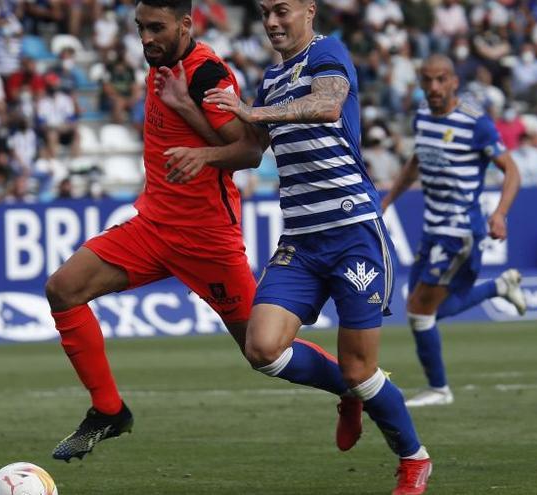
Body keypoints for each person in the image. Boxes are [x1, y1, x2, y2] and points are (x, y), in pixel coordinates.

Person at [44, 0, 352, 465]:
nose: (146, 38)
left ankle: (349, 385)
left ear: (185, 25)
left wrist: (186, 110)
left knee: (262, 352)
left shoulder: (206, 74)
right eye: (140, 28)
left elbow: (248, 152)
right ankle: (108, 410)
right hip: (152, 226)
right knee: (63, 289)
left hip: (206, 239)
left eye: (157, 28)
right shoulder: (160, 64)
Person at [156, 0, 431, 492]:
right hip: (301, 240)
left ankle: (413, 458)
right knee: (261, 348)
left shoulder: (329, 53)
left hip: (353, 234)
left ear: (309, 11)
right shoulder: (271, 79)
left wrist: (250, 110)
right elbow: (249, 149)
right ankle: (346, 390)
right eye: (264, 14)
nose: (272, 23)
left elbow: (326, 107)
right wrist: (199, 140)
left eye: (282, 11)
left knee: (361, 368)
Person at [379, 55, 526, 408]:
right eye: (427, 81)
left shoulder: (476, 123)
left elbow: (512, 171)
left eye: (441, 80)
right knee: (424, 311)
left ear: (454, 82)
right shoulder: (423, 117)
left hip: (459, 230)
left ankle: (439, 389)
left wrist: (501, 214)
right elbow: (417, 162)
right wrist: (387, 202)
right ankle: (498, 287)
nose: (433, 88)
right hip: (432, 229)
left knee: (419, 311)